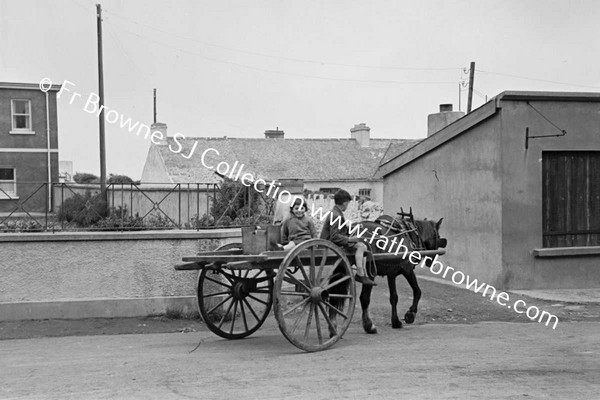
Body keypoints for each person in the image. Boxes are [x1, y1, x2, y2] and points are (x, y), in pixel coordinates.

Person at [320, 189, 377, 286]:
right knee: (361, 246)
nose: (348, 206)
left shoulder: (335, 213)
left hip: (330, 243)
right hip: (330, 245)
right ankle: (360, 274)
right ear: (345, 203)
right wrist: (350, 239)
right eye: (348, 204)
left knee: (361, 246)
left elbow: (338, 230)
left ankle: (362, 273)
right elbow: (334, 236)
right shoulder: (336, 215)